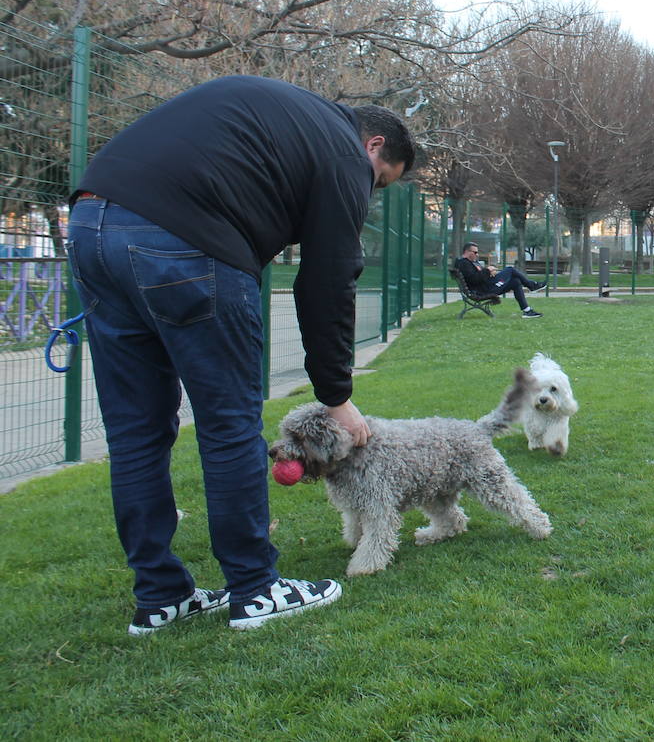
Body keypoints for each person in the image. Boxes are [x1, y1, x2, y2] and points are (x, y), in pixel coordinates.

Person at [66, 75, 415, 634]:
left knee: (135, 432)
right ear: (374, 146)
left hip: (88, 226)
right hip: (185, 241)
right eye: (380, 182)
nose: (368, 191)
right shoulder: (345, 152)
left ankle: (159, 597)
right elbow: (327, 281)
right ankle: (255, 589)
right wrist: (336, 396)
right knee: (228, 422)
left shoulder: (288, 113)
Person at [451, 243, 545, 317]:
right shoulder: (464, 264)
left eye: (477, 252)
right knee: (510, 269)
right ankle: (531, 285)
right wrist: (488, 270)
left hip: (487, 285)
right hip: (483, 290)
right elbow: (474, 279)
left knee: (515, 281)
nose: (477, 254)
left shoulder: (470, 262)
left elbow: (478, 275)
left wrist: (489, 272)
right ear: (467, 252)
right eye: (474, 252)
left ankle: (527, 311)